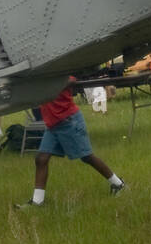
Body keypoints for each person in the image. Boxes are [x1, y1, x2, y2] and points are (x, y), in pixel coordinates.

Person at [15, 78, 125, 206]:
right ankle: (37, 201)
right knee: (41, 159)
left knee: (87, 157)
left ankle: (118, 184)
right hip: (52, 124)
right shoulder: (39, 74)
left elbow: (71, 80)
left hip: (69, 120)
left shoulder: (60, 71)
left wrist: (53, 86)